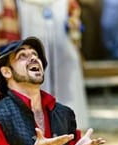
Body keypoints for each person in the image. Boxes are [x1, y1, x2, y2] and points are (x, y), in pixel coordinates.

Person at [16, 0, 89, 131]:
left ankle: (68, 121)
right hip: (29, 15)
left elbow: (74, 18)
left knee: (66, 73)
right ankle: (36, 122)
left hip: (61, 39)